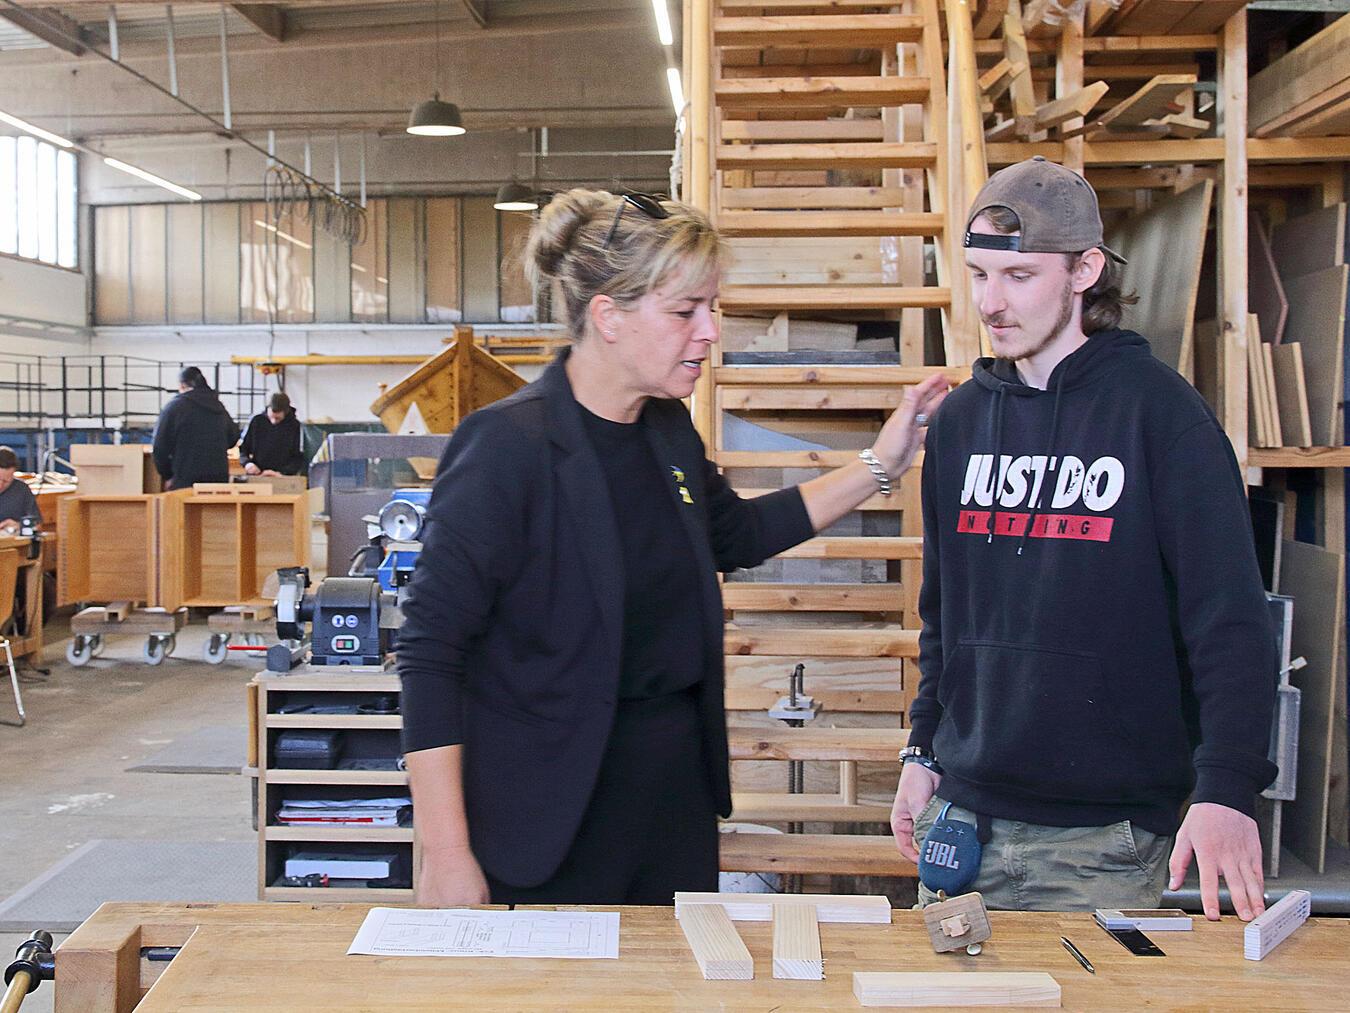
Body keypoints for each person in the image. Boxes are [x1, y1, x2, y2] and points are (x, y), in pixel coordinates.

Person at [397, 189, 949, 906]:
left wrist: (881, 462)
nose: (710, 332)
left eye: (711, 308)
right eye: (686, 311)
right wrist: (445, 851)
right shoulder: (507, 448)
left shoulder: (666, 432)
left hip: (669, 810)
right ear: (609, 317)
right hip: (549, 819)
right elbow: (431, 653)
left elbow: (739, 534)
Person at [890, 156, 1277, 922]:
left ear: (1084, 269)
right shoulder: (963, 422)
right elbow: (947, 613)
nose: (991, 304)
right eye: (977, 275)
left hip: (1103, 839)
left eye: (1020, 276)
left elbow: (1231, 622)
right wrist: (922, 748)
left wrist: (1228, 787)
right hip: (961, 822)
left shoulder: (1162, 419)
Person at [151, 366, 241, 490]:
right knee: (215, 509)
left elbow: (159, 447)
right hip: (218, 479)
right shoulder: (218, 407)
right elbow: (233, 437)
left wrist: (167, 475)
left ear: (182, 386)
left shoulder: (174, 408)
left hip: (186, 478)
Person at [239, 391, 307, 478]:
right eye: (271, 417)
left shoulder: (294, 426)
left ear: (285, 413)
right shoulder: (257, 421)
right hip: (257, 474)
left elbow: (298, 457)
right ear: (267, 409)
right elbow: (243, 450)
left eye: (278, 418)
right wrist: (248, 464)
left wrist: (283, 473)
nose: (273, 421)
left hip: (283, 476)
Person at [0, 447, 39, 535]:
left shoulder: (21, 489)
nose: (0, 485)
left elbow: (37, 525)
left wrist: (19, 526)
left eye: (6, 481)